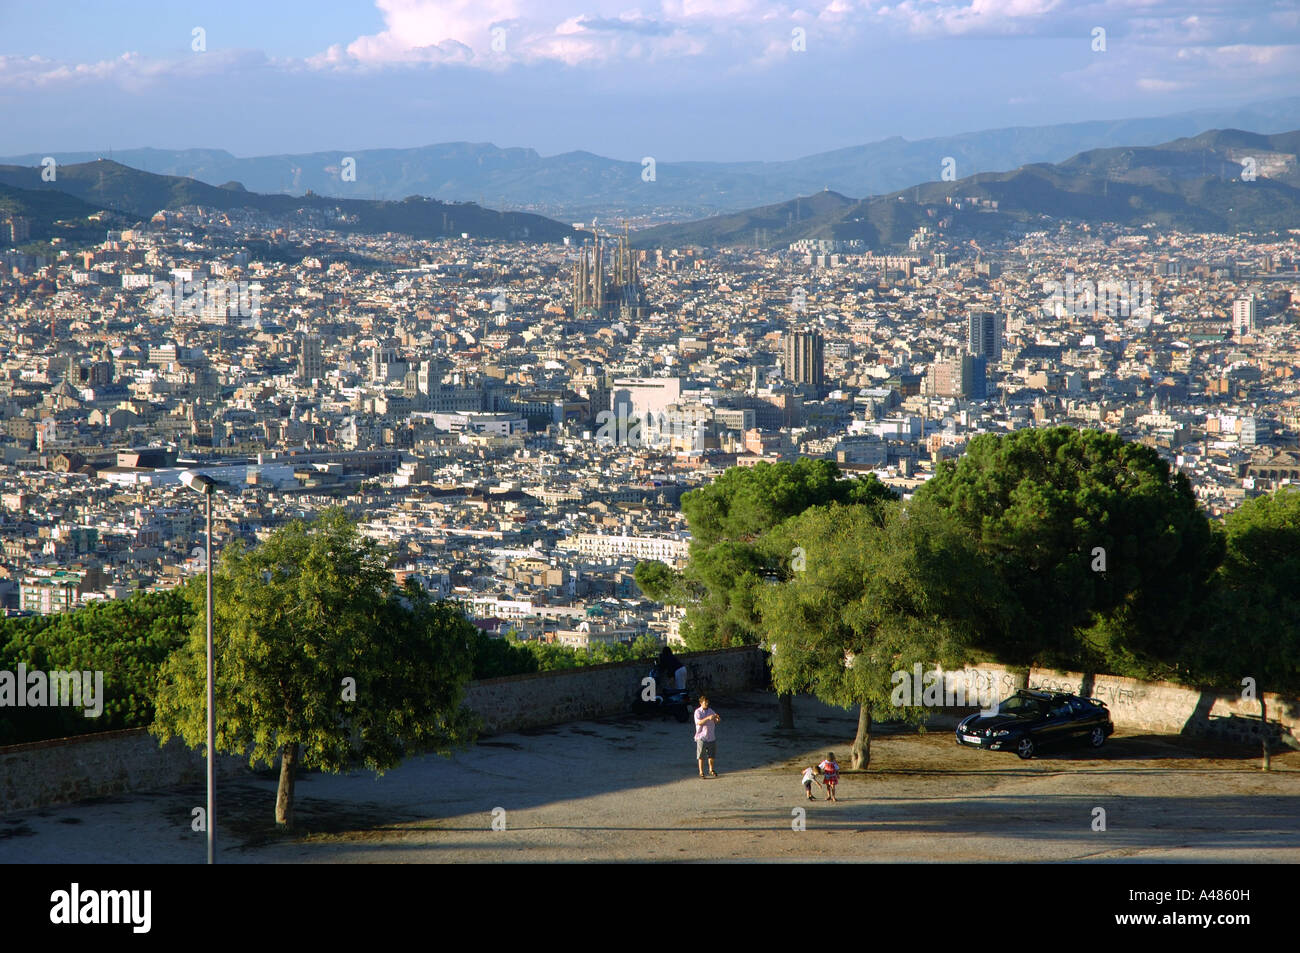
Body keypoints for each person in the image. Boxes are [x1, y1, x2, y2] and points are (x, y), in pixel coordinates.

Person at [694, 694, 720, 778]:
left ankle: (711, 769)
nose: (706, 704)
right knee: (701, 756)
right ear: (701, 703)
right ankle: (701, 772)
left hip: (711, 736)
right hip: (701, 736)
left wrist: (717, 719)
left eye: (707, 702)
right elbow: (699, 722)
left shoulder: (711, 711)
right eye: (705, 702)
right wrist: (708, 718)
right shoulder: (697, 712)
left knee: (711, 756)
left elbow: (716, 721)